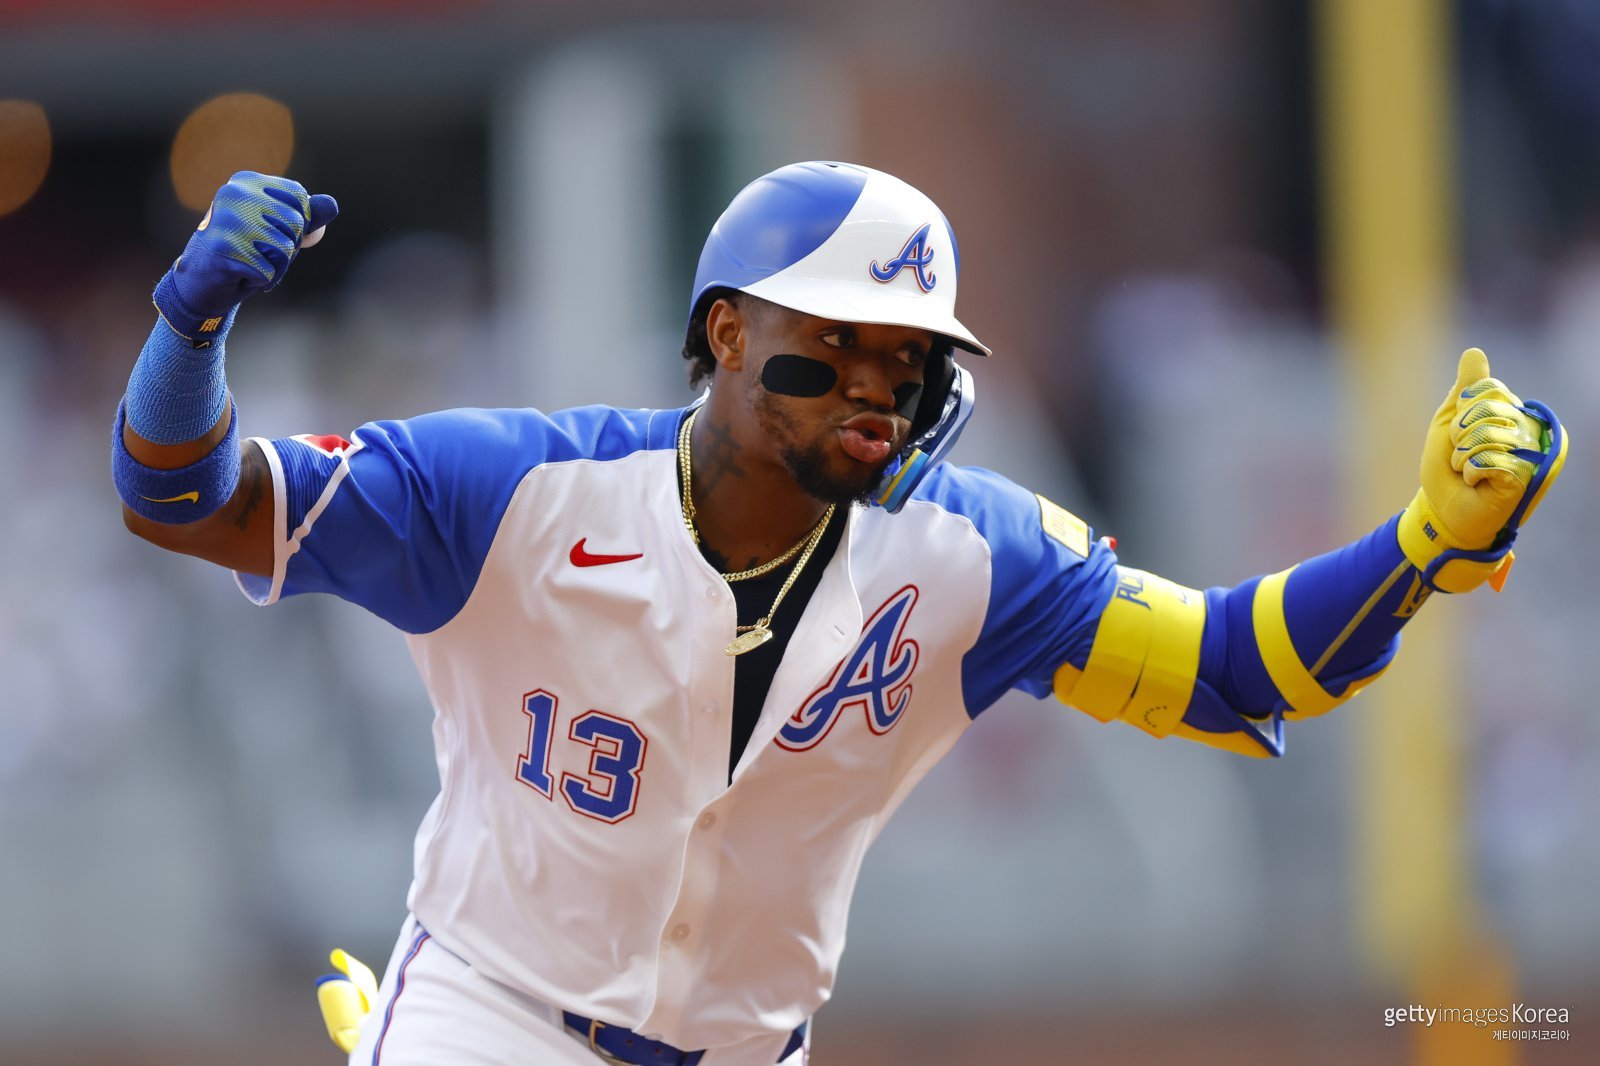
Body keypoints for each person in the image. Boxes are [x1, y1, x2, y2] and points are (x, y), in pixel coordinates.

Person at [113, 162, 1566, 1066]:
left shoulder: (972, 555)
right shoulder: (515, 491)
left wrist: (1429, 541)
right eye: (838, 342)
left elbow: (1235, 666)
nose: (880, 383)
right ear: (728, 330)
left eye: (911, 356)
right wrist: (190, 329)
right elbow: (187, 497)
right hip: (491, 1018)